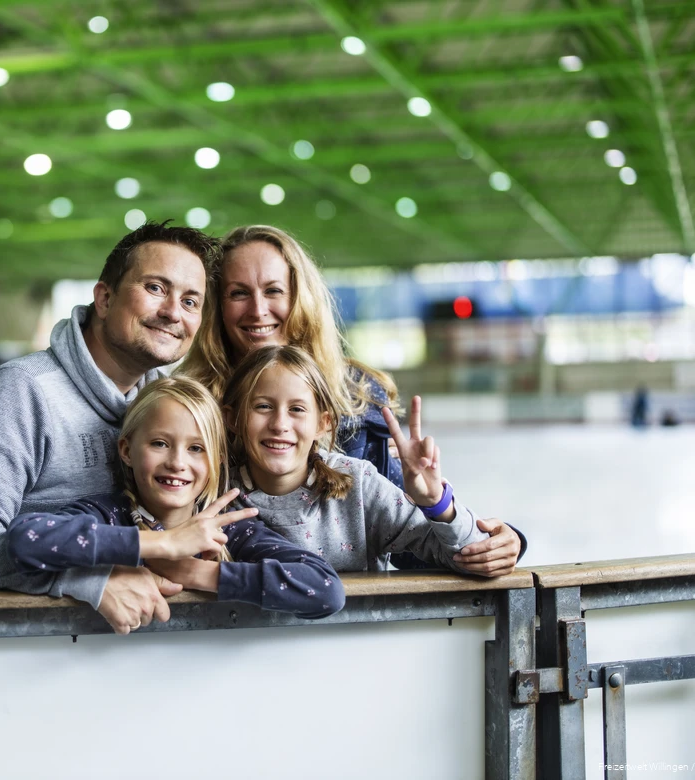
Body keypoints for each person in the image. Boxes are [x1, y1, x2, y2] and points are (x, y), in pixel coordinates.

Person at [179, 225, 524, 576]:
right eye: (238, 293)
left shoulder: (357, 400)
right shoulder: (186, 408)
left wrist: (489, 539)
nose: (258, 309)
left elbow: (411, 538)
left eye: (274, 291)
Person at [0, 221, 220, 633]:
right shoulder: (23, 390)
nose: (173, 312)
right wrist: (84, 580)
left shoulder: (173, 406)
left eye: (191, 301)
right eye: (156, 288)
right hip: (38, 651)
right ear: (104, 298)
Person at [5, 377, 346, 630]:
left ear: (216, 460)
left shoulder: (230, 529)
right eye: (159, 443)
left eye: (196, 448)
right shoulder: (109, 514)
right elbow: (26, 539)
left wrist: (197, 573)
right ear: (127, 450)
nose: (177, 463)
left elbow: (325, 590)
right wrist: (163, 544)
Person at [204, 345, 489, 576]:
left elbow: (473, 557)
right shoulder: (214, 495)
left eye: (297, 409)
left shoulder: (360, 485)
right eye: (263, 406)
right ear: (233, 419)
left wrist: (437, 503)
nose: (280, 424)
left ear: (323, 424)